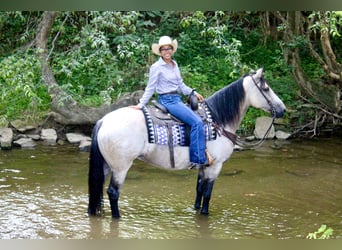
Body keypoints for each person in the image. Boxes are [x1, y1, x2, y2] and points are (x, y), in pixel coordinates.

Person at [130, 36, 213, 169]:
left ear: (172, 49)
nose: (167, 51)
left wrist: (193, 92)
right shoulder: (156, 67)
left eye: (169, 48)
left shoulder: (174, 64)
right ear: (160, 51)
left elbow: (181, 85)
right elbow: (150, 87)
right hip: (168, 100)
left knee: (196, 118)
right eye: (163, 49)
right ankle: (197, 160)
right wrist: (141, 104)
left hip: (177, 99)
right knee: (197, 122)